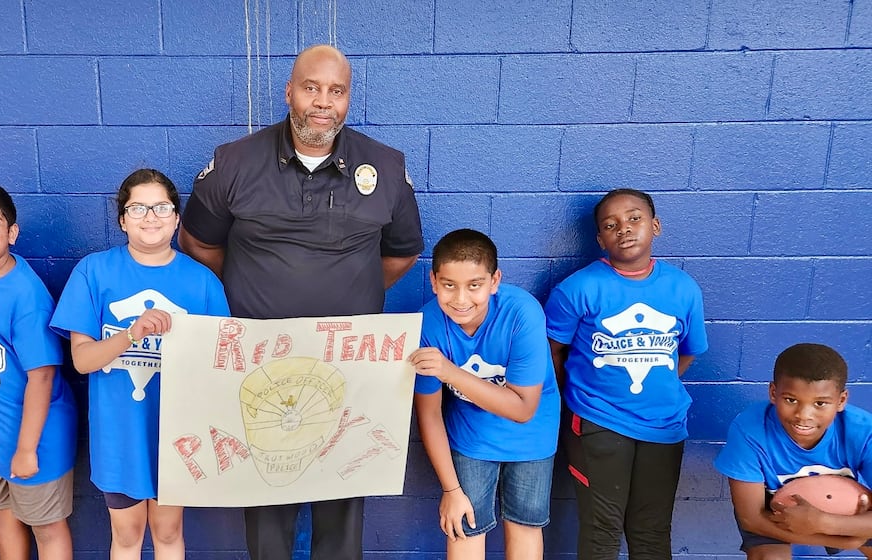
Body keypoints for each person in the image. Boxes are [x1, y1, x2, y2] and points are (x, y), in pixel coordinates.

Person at [178, 44, 424, 560]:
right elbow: (198, 242)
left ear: (348, 100)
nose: (323, 102)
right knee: (267, 503)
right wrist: (251, 287)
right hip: (260, 366)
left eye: (336, 91)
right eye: (311, 87)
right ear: (289, 91)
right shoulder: (235, 161)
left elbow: (402, 253)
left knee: (341, 504)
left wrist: (353, 290)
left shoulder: (384, 164)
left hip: (350, 368)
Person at [50, 169, 230, 560]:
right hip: (119, 435)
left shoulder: (202, 282)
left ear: (177, 217)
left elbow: (219, 369)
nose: (151, 217)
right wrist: (129, 335)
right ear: (122, 219)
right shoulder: (94, 272)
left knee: (168, 532)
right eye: (138, 208)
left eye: (162, 207)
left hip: (176, 434)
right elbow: (82, 361)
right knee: (127, 534)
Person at [545, 188, 708, 560]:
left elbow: (687, 352)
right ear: (600, 239)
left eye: (634, 218)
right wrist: (577, 398)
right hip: (598, 422)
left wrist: (655, 384)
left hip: (664, 425)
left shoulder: (682, 288)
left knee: (651, 531)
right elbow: (553, 350)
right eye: (611, 224)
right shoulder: (578, 288)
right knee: (602, 531)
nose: (624, 229)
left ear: (655, 225)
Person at [410, 228, 560, 560]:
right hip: (471, 436)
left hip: (531, 435)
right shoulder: (427, 323)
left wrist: (449, 371)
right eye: (449, 285)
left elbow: (523, 409)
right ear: (434, 282)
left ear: (494, 282)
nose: (461, 299)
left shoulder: (522, 313)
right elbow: (429, 414)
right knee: (464, 524)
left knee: (525, 525)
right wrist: (451, 489)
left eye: (474, 285)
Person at [0, 181, 77, 560]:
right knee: (4, 523)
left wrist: (25, 449)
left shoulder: (25, 294)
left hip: (35, 437)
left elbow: (43, 376)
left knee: (47, 528)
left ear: (12, 233)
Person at [714, 343, 872, 558]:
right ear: (773, 393)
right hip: (775, 516)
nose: (803, 415)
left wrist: (826, 523)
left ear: (841, 400)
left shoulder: (863, 431)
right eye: (791, 400)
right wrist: (840, 538)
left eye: (820, 403)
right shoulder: (749, 430)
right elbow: (751, 518)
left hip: (849, 514)